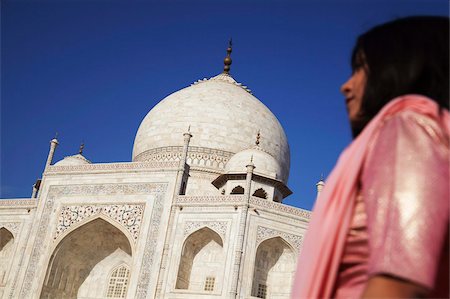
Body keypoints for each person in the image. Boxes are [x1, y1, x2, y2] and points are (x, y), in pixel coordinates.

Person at [292, 16, 449, 298]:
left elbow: (398, 283)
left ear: (400, 68)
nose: (346, 85)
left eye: (360, 69)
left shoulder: (407, 128)